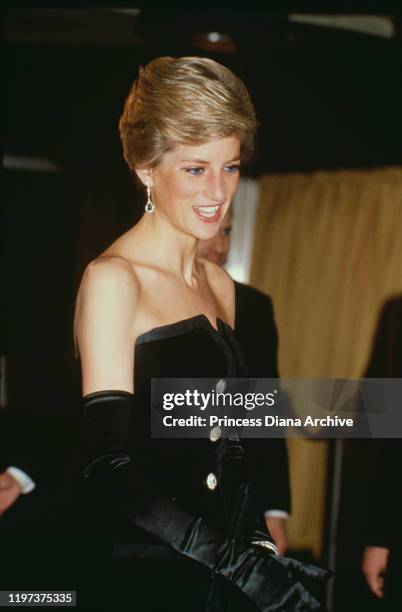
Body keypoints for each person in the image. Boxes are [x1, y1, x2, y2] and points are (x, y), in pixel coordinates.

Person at [74, 56, 330, 611]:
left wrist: (258, 541)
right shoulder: (113, 280)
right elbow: (108, 470)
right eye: (195, 169)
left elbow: (230, 435)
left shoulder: (221, 285)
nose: (218, 191)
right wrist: (235, 561)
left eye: (231, 167)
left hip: (221, 577)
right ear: (146, 167)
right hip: (146, 579)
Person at [197, 210, 291, 555]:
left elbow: (265, 409)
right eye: (212, 231)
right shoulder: (131, 287)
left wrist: (273, 509)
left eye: (228, 232)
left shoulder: (253, 306)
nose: (221, 246)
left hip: (234, 501)